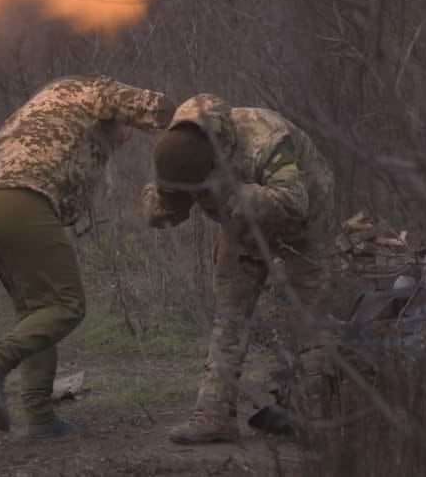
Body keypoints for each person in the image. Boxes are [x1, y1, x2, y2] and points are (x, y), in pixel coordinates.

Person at [0, 75, 176, 440]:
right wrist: (196, 125)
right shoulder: (93, 90)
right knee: (66, 305)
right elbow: (155, 107)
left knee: (38, 311)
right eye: (126, 132)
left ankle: (40, 417)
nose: (126, 140)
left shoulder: (46, 111)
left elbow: (69, 207)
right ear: (117, 115)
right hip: (22, 198)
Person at [141, 93, 336, 444]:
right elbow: (162, 212)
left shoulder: (266, 138)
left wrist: (235, 195)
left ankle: (314, 416)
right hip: (242, 231)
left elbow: (295, 201)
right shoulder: (178, 153)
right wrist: (166, 201)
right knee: (229, 318)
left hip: (305, 225)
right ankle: (213, 415)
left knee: (310, 318)